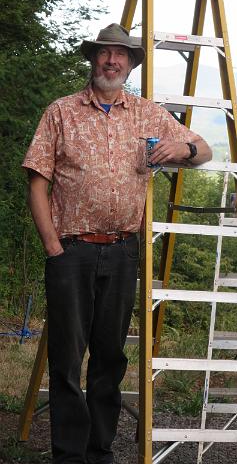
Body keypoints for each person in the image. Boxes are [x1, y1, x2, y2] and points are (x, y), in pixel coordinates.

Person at [22, 23, 212, 464]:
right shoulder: (61, 112)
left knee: (111, 356)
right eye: (106, 53)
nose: (112, 61)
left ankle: (99, 451)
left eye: (121, 55)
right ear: (94, 59)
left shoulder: (148, 114)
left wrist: (180, 151)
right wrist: (53, 246)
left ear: (130, 65)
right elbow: (36, 182)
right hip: (71, 251)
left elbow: (204, 150)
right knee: (68, 358)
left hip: (125, 251)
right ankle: (69, 455)